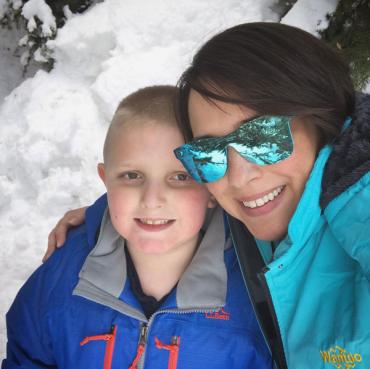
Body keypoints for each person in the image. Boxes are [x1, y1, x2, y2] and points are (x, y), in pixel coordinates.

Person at [44, 22, 370, 369]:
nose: (240, 176)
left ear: (323, 114)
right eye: (210, 153)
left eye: (263, 138)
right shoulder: (266, 214)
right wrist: (106, 213)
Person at [2, 86, 273, 369]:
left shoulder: (254, 288)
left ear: (211, 186)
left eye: (180, 176)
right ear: (106, 180)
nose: (152, 200)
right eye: (132, 176)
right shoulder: (61, 276)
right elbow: (26, 357)